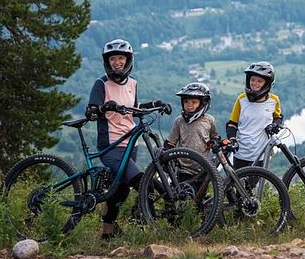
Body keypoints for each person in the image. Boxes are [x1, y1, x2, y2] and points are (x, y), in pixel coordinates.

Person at [84, 38, 171, 240]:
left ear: (128, 60)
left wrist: (156, 103)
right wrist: (106, 107)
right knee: (141, 181)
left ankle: (107, 233)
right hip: (111, 146)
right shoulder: (101, 84)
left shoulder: (133, 83)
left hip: (131, 144)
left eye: (120, 58)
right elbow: (91, 112)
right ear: (108, 61)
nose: (117, 62)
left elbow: (135, 109)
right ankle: (149, 217)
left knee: (120, 190)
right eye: (113, 59)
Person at [225, 61, 283, 169]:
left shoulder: (274, 100)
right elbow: (232, 124)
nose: (255, 83)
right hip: (241, 152)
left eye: (259, 81)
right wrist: (232, 139)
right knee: (238, 184)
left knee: (252, 185)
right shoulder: (241, 99)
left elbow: (278, 117)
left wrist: (275, 125)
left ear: (267, 83)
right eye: (252, 80)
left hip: (261, 153)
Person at [164, 82, 220, 164]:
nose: (189, 105)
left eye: (194, 102)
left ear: (203, 103)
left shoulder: (209, 120)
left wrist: (215, 142)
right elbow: (170, 143)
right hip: (183, 167)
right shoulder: (179, 120)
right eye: (186, 102)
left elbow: (215, 136)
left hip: (204, 166)